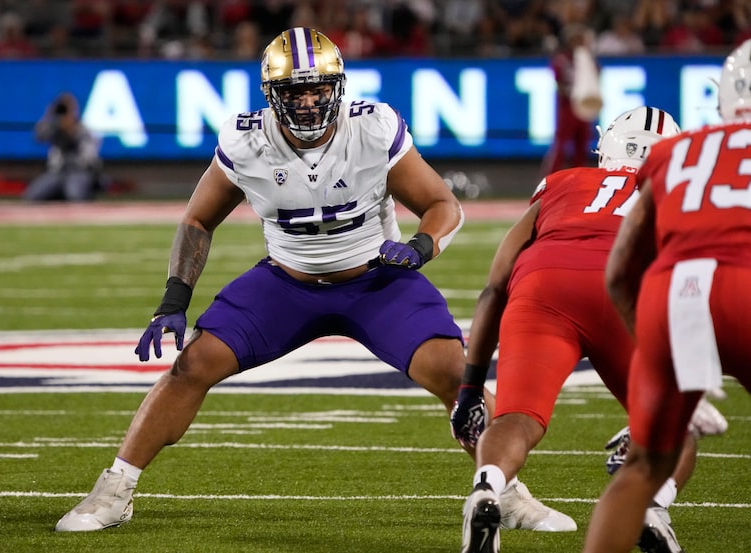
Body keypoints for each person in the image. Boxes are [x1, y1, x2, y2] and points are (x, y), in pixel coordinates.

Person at [53, 26, 571, 535]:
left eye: (317, 88)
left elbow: (441, 204)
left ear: (338, 87)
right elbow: (197, 220)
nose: (306, 102)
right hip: (287, 283)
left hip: (377, 281)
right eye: (294, 91)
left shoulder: (371, 129)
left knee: (458, 374)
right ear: (271, 96)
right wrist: (173, 298)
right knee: (192, 365)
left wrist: (418, 248)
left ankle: (504, 492)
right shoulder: (247, 139)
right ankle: (115, 488)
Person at [453, 106, 701, 553]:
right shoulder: (677, 192)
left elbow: (495, 287)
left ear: (606, 146)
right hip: (625, 289)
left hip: (544, 286)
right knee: (677, 425)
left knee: (518, 418)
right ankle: (652, 508)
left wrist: (470, 387)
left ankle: (487, 489)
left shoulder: (563, 181)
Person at [583, 39, 751, 553]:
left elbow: (620, 271)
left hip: (674, 297)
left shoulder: (678, 153)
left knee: (642, 466)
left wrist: (662, 353)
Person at [539, 23, 599, 177]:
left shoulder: (587, 59)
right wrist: (573, 92)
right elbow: (558, 82)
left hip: (583, 108)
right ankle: (549, 179)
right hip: (568, 108)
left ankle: (579, 180)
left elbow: (596, 78)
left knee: (582, 147)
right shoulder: (562, 60)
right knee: (561, 145)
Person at [23, 92, 103, 202]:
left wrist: (71, 130)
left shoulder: (83, 129)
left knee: (74, 195)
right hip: (57, 172)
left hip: (79, 172)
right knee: (32, 196)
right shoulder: (55, 128)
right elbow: (39, 136)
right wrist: (48, 115)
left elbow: (90, 157)